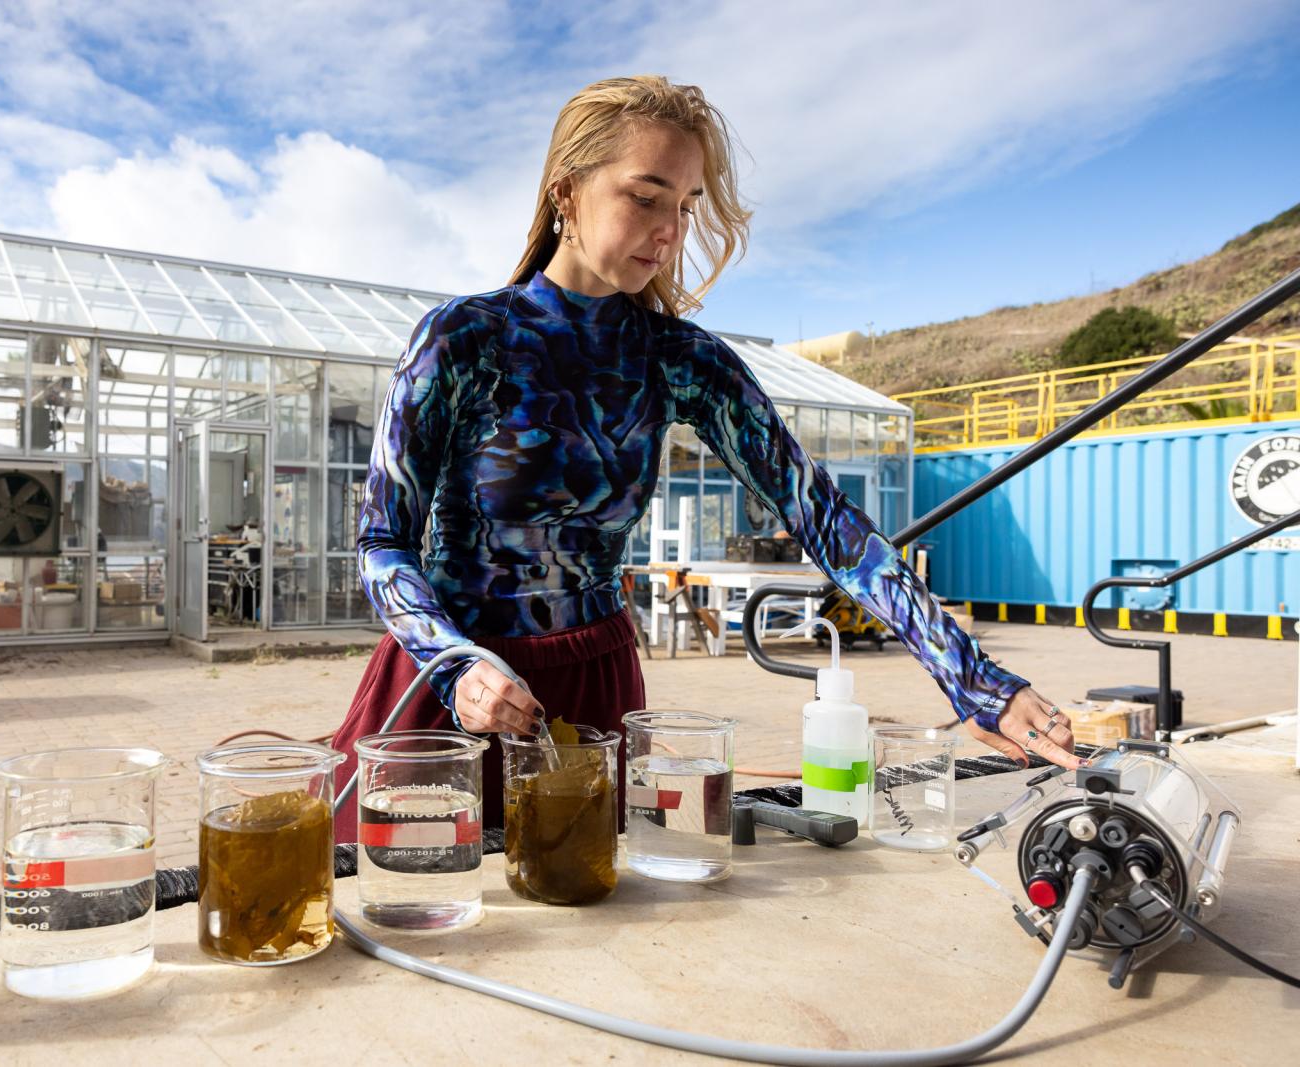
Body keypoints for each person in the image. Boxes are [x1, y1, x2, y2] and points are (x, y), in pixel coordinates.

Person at [329, 75, 1079, 842]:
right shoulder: (462, 339)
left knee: (592, 938)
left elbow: (822, 516)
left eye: (685, 207)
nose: (669, 232)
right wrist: (455, 664)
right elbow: (382, 541)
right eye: (646, 196)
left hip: (594, 689)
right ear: (566, 193)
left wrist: (976, 680)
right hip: (447, 698)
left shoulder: (679, 359)